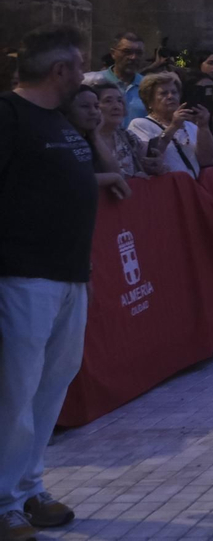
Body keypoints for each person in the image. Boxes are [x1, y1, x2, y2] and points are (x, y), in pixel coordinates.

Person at [0, 27, 100, 539]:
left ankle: (29, 484)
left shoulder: (61, 122)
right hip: (23, 275)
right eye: (78, 67)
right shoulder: (10, 116)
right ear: (59, 71)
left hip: (68, 274)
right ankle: (2, 499)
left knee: (50, 384)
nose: (84, 75)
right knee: (14, 391)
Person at [128, 71, 213, 179]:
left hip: (191, 189)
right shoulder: (140, 124)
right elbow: (148, 157)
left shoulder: (190, 126)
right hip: (166, 189)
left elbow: (206, 159)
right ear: (149, 102)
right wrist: (173, 127)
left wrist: (204, 127)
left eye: (174, 92)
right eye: (163, 93)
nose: (170, 96)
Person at [89, 80, 164, 179]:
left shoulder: (128, 137)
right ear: (95, 107)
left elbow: (146, 167)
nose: (116, 106)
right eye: (108, 101)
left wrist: (155, 166)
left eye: (119, 101)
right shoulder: (85, 140)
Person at [95, 31, 147, 125]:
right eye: (127, 52)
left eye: (139, 53)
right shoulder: (95, 82)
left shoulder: (149, 87)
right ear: (113, 53)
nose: (133, 57)